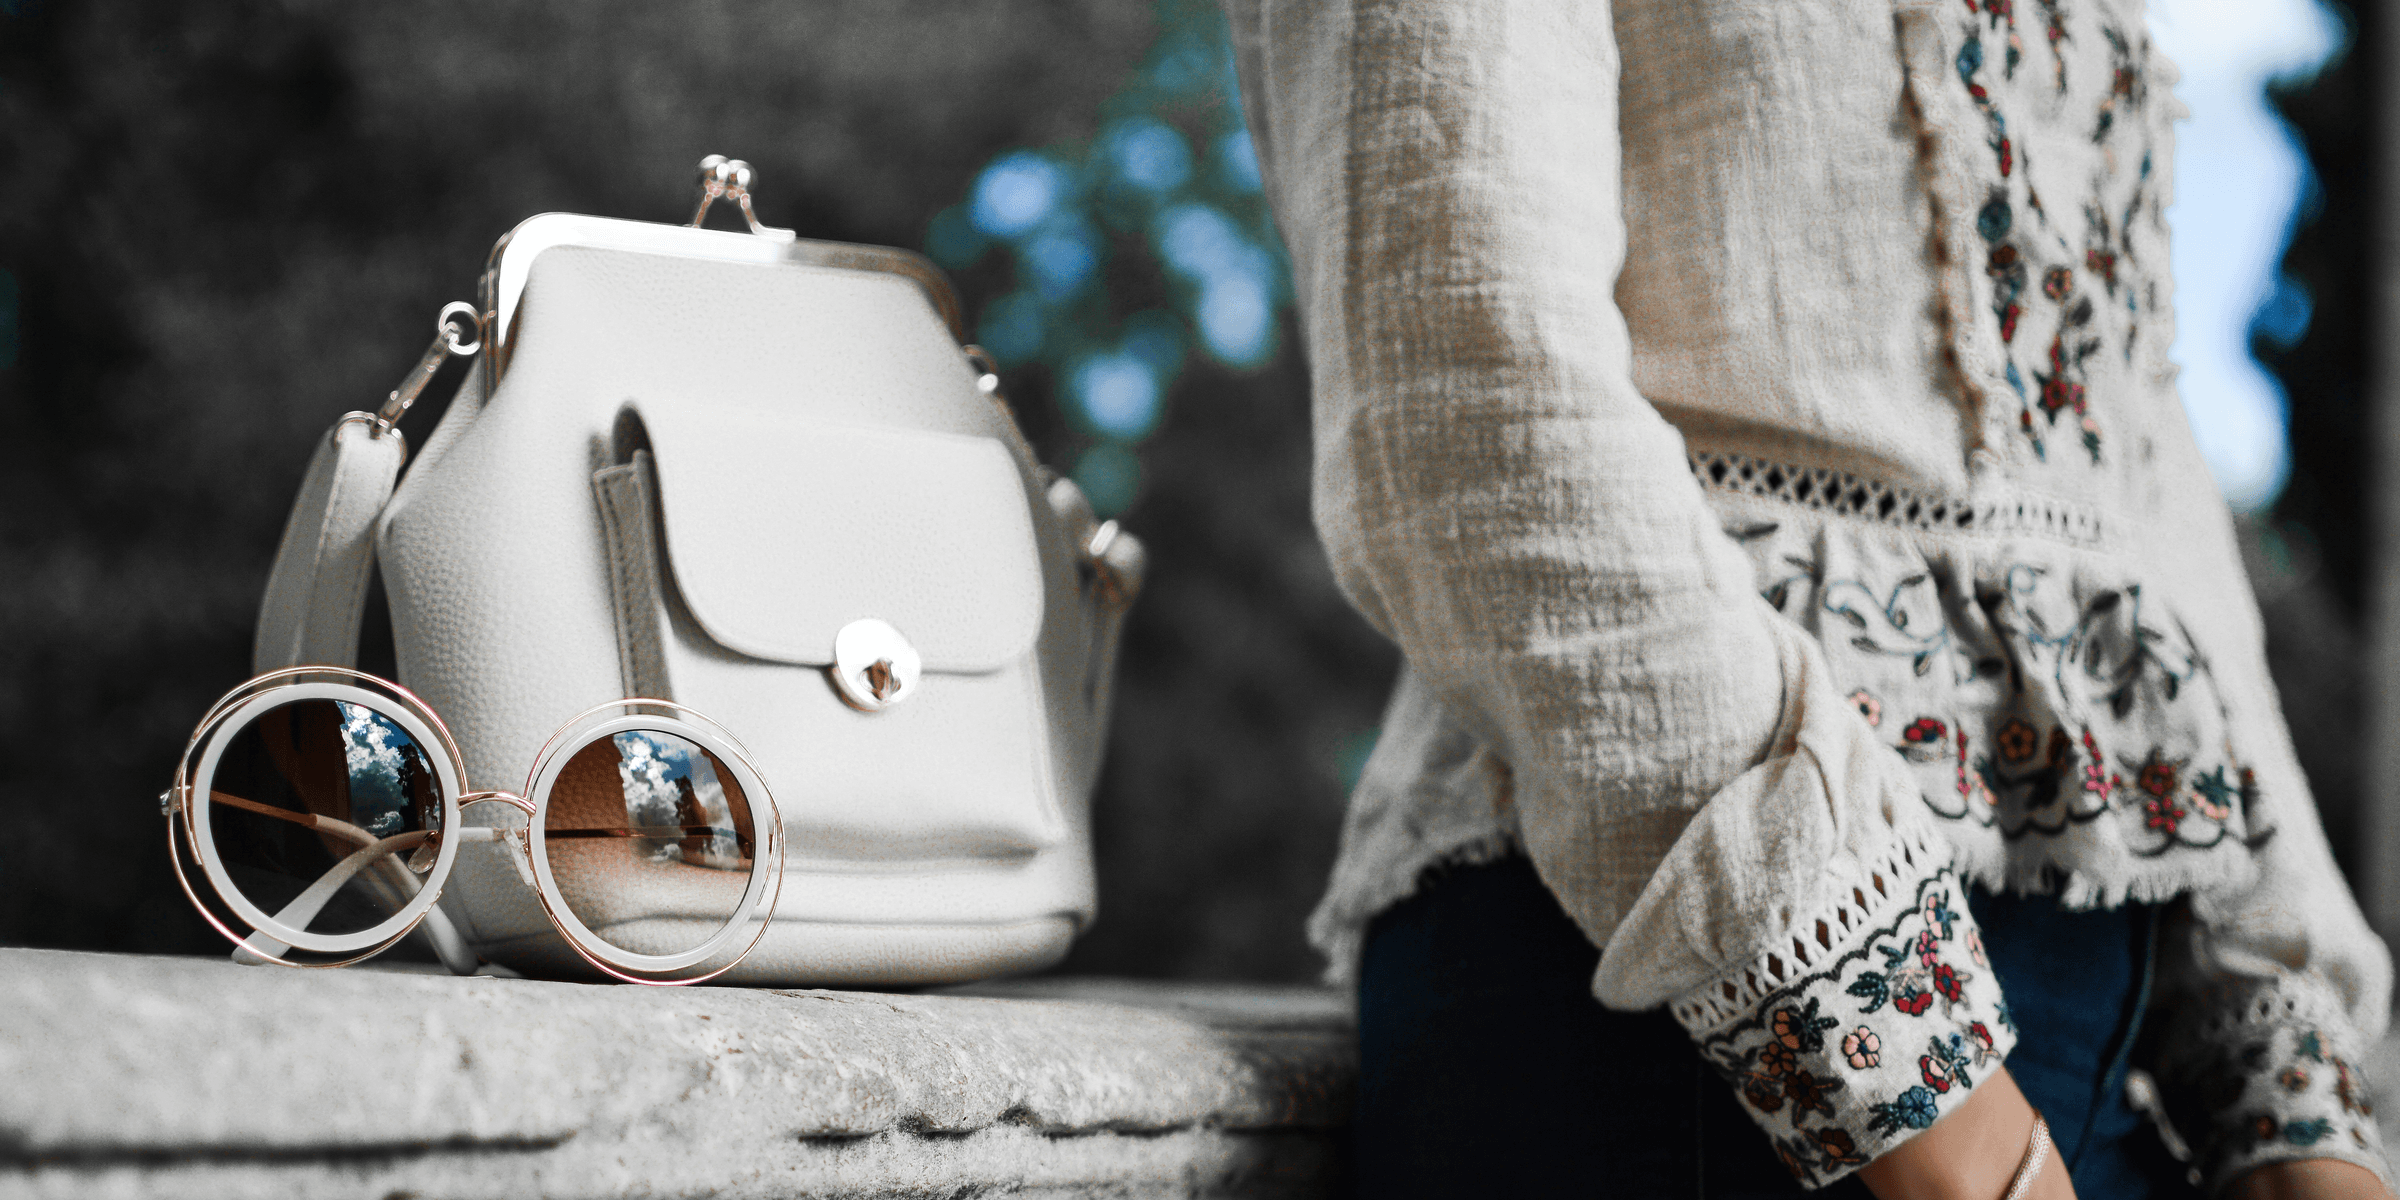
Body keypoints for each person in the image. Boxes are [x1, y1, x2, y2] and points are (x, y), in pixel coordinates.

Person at [1221, 0, 2394, 1196]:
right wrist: (1930, 1103)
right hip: (1679, 1007)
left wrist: (2290, 1082)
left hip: (2095, 1042)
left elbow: (2128, 478)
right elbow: (1468, 398)